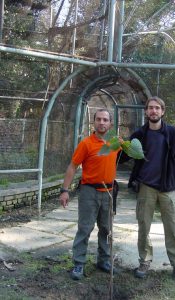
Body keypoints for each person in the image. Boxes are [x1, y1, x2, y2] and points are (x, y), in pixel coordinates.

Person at [127, 96, 175, 285]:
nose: (153, 111)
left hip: (168, 188)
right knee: (143, 226)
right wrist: (118, 145)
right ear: (146, 112)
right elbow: (125, 156)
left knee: (173, 228)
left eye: (157, 108)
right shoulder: (139, 134)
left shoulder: (173, 133)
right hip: (146, 187)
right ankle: (144, 261)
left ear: (163, 111)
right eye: (150, 108)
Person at [59, 108, 119, 280]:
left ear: (110, 123)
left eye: (105, 120)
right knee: (85, 228)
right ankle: (78, 263)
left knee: (107, 229)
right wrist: (65, 190)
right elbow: (72, 166)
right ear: (94, 122)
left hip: (108, 192)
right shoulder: (86, 144)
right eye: (98, 119)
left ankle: (104, 260)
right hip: (89, 192)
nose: (102, 122)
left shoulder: (115, 143)